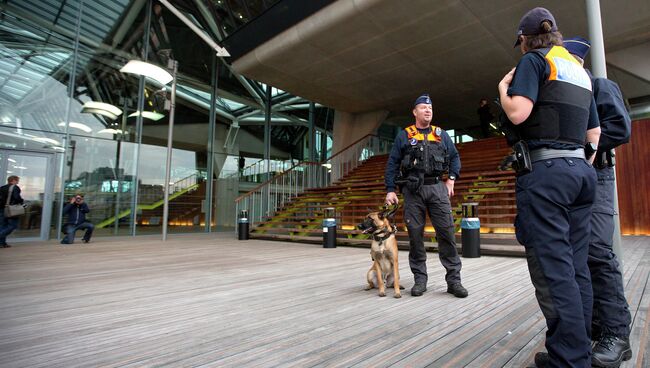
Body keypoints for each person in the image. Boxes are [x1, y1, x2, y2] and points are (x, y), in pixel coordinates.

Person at [497, 8, 601, 367]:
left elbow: (518, 113)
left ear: (525, 39)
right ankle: (576, 349)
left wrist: (502, 90)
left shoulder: (533, 61)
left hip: (546, 174)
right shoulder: (579, 71)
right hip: (581, 175)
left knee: (555, 270)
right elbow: (595, 135)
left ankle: (569, 360)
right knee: (576, 268)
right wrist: (576, 166)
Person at [564, 36, 633, 367]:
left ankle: (616, 335)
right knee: (576, 254)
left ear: (576, 61)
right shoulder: (564, 94)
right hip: (570, 180)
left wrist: (584, 149)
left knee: (596, 252)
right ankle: (588, 329)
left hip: (597, 175)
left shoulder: (599, 85)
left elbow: (620, 127)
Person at [384, 93, 468, 298]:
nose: (428, 110)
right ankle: (420, 280)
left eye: (430, 108)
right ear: (415, 112)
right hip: (413, 192)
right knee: (415, 236)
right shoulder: (405, 135)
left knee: (447, 234)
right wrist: (390, 189)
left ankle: (454, 281)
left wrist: (452, 179)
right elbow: (392, 164)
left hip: (437, 188)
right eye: (423, 107)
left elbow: (455, 158)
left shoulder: (441, 134)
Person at [0, 175, 25, 248]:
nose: (18, 182)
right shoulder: (15, 187)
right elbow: (17, 198)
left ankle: (2, 243)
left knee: (3, 225)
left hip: (1, 209)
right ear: (13, 180)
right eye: (17, 180)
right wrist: (23, 203)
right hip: (11, 209)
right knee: (12, 225)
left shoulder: (2, 188)